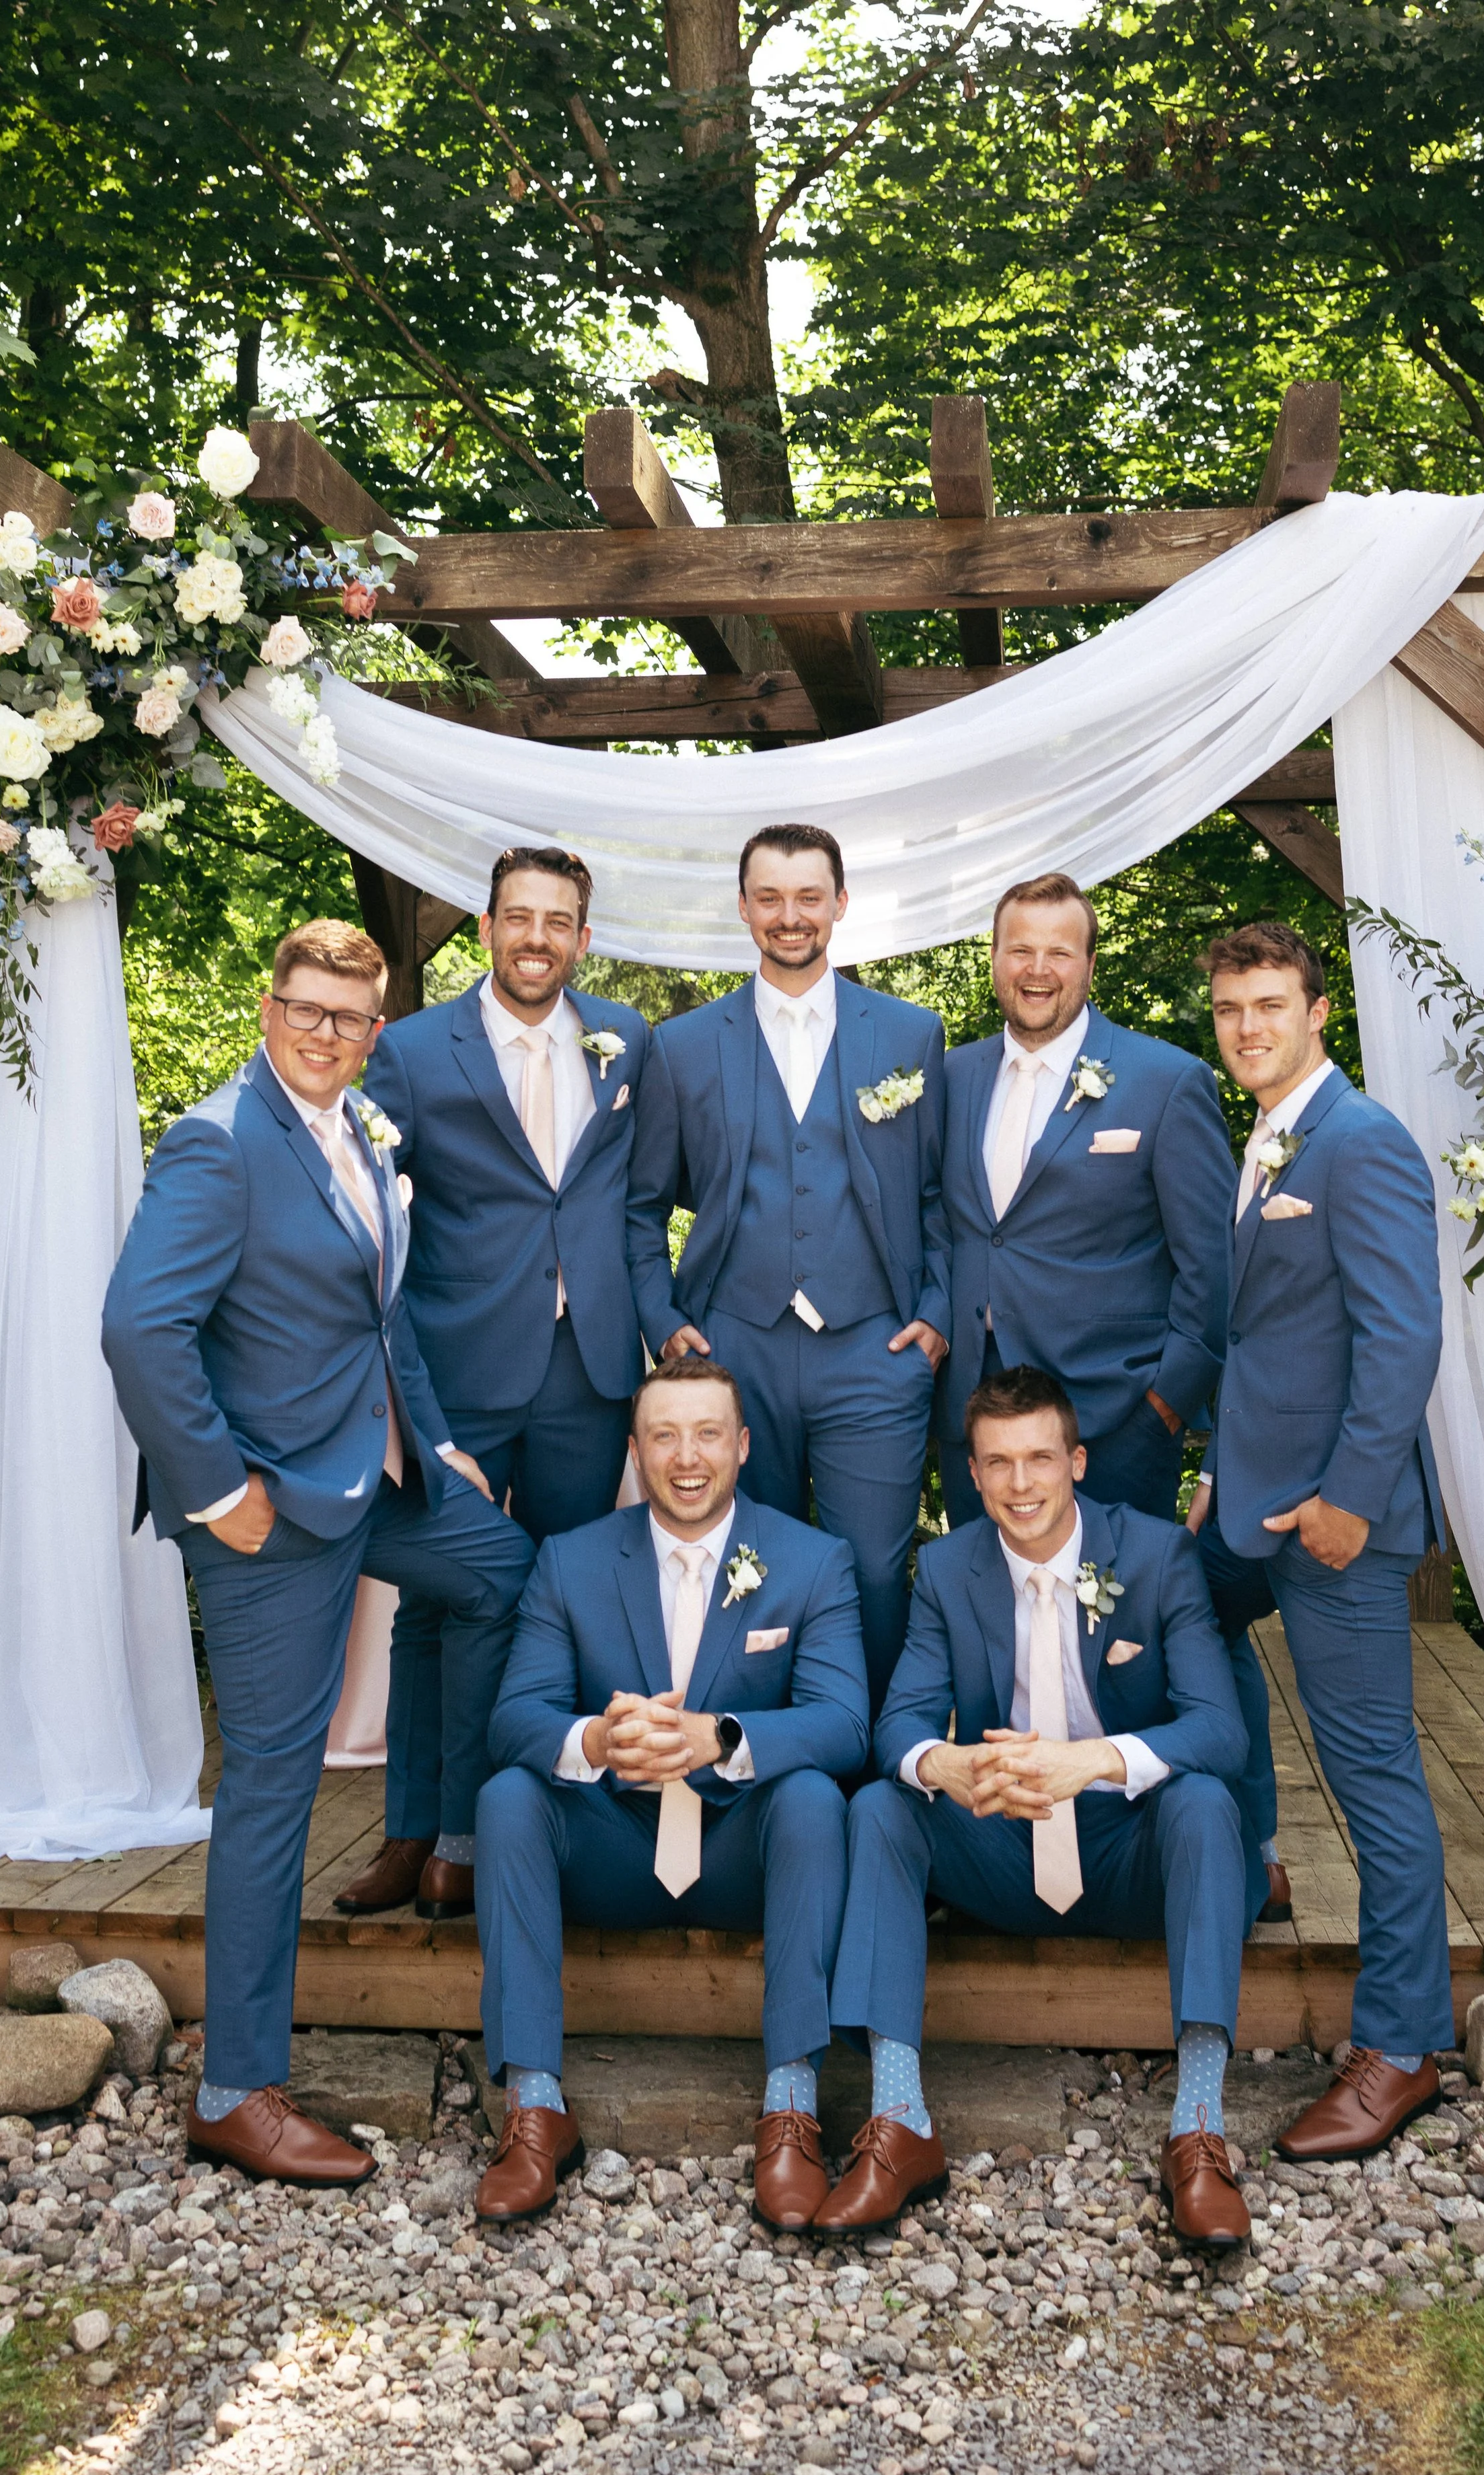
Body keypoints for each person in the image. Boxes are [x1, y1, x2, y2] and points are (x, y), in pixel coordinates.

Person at [102, 920, 535, 2187]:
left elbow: (383, 1317)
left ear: (375, 1028)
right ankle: (235, 2090)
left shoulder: (362, 1129)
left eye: (350, 1016)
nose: (326, 1033)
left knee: (503, 1573)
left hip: (382, 1474)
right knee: (274, 1786)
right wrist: (215, 1489)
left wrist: (438, 1446)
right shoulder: (220, 1140)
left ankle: (451, 1836)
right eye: (307, 1009)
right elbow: (139, 1328)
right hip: (273, 1507)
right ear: (268, 1007)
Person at [823, 1366, 1251, 2244]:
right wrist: (947, 1764)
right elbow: (898, 1724)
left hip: (1126, 1848)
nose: (1021, 1484)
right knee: (881, 1809)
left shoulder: (1155, 1556)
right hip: (1005, 1848)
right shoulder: (948, 1567)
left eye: (1039, 1459)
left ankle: (1199, 2128)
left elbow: (1220, 1729)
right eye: (998, 1462)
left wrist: (1088, 1761)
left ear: (1076, 1462)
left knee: (1205, 1803)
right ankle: (899, 2120)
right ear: (973, 1475)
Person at [936, 871, 1282, 1923]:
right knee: (999, 1623)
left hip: (1116, 1421)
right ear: (994, 958)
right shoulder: (950, 1077)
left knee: (1183, 1626)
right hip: (977, 1418)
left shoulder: (1164, 1082)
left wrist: (1167, 1406)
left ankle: (1252, 1841)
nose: (1037, 968)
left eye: (1059, 949)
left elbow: (1211, 1272)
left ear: (1088, 963)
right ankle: (1011, 1830)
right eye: (1020, 948)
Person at [472, 1355, 868, 2231]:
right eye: (664, 1436)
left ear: (743, 1445)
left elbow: (846, 1723)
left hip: (741, 1853)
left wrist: (721, 1738)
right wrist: (598, 1741)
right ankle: (534, 2110)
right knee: (508, 1797)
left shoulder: (811, 1560)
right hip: (613, 1844)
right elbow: (514, 1717)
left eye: (707, 1434)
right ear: (635, 1450)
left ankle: (792, 2108)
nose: (687, 1458)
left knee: (812, 1798)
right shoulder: (570, 1559)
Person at [334, 846, 653, 1924]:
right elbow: (375, 1226)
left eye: (558, 921)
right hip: (459, 1367)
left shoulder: (626, 1039)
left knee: (566, 1601)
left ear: (584, 938)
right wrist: (406, 1400)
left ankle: (529, 1826)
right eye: (519, 917)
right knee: (435, 1602)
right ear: (485, 927)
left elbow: (636, 1199)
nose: (536, 938)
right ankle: (416, 1831)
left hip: (589, 1370)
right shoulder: (412, 1049)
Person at [1189, 921, 1450, 2159]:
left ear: (1317, 1011)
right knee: (1188, 1613)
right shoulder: (1269, 1134)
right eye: (1230, 1008)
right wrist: (1216, 1470)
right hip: (1256, 1500)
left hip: (1338, 1518)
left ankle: (1401, 2045)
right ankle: (1253, 1858)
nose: (1248, 1027)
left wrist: (1350, 1496)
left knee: (1373, 1775)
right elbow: (1265, 1334)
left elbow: (1403, 1336)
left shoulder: (1362, 1139)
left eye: (1269, 1005)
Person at [629, 823, 949, 1710]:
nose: (790, 915)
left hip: (875, 1346)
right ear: (743, 908)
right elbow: (640, 1204)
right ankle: (759, 1755)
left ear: (840, 904)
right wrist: (663, 1319)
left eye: (809, 896)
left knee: (876, 1569)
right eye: (769, 897)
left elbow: (940, 1195)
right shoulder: (684, 1044)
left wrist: (938, 1311)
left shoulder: (911, 1035)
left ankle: (877, 1762)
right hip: (733, 1347)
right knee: (748, 1569)